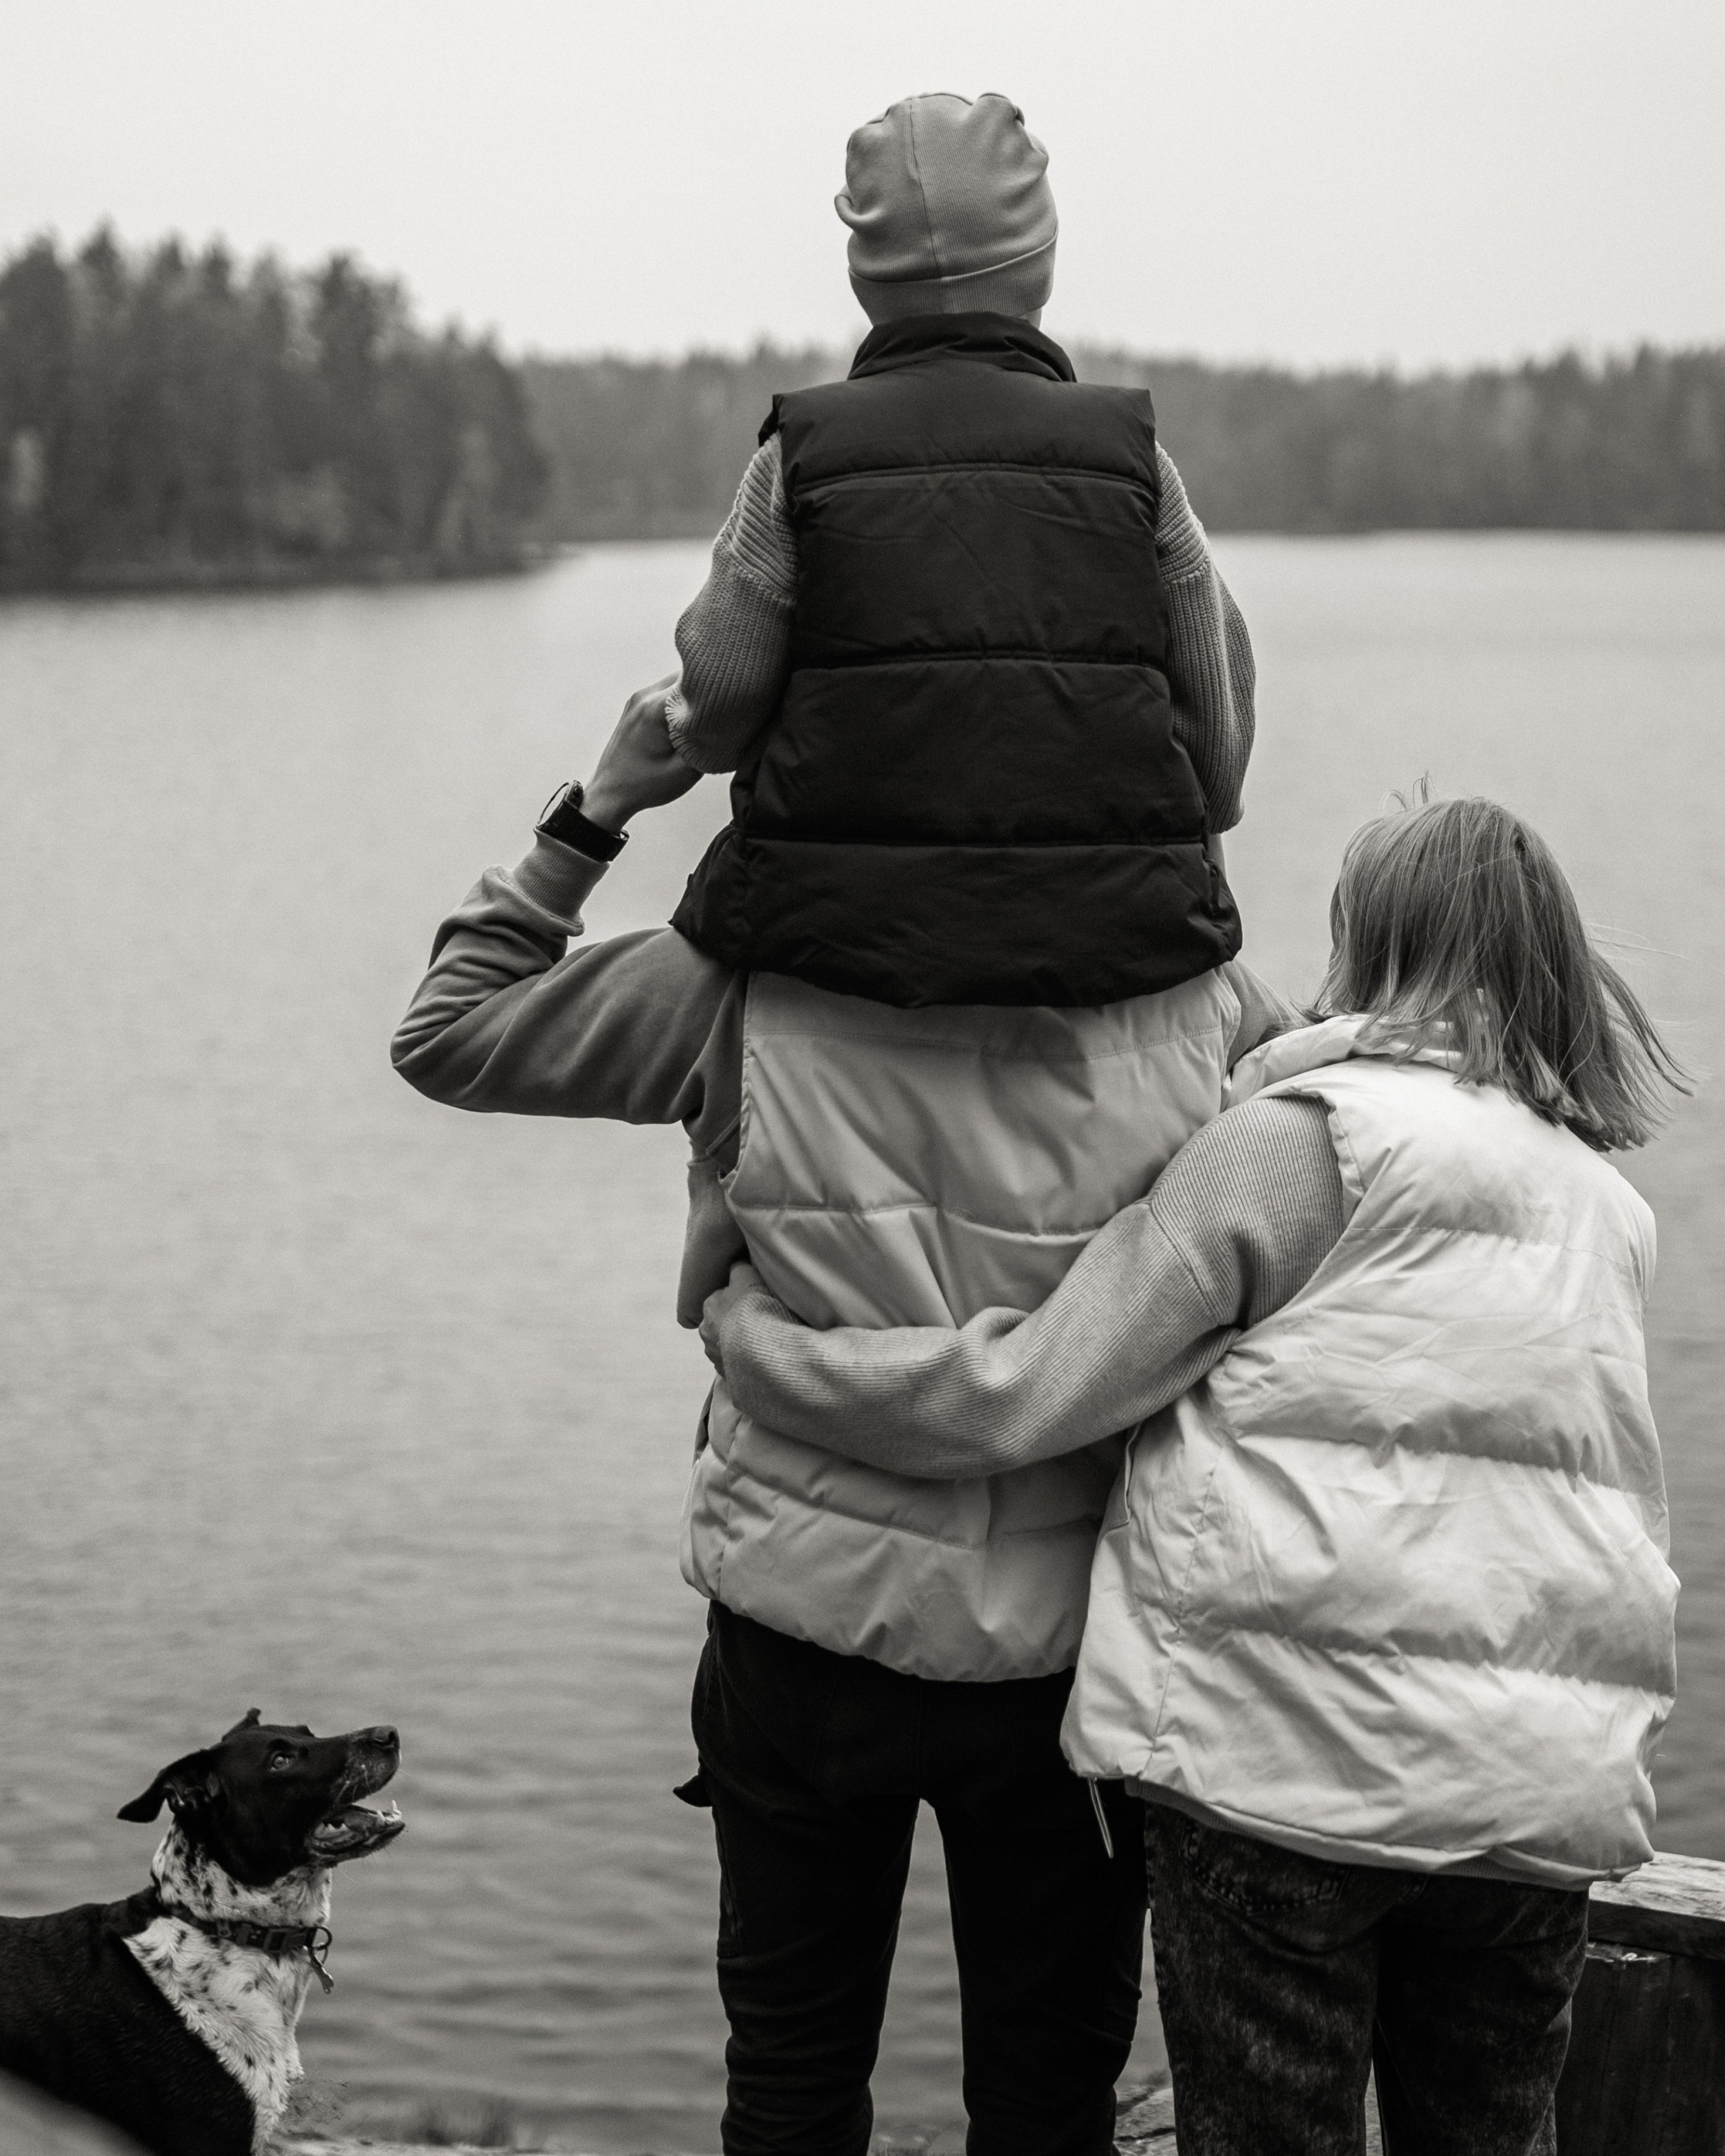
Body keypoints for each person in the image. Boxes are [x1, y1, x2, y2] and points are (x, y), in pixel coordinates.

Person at [701, 794, 1686, 2156]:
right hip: (1532, 1795)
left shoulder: (1298, 1145)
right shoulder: (1600, 1202)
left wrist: (762, 1348)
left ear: (1367, 938)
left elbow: (1023, 1395)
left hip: (1287, 1779)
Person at [394, 679, 1294, 2156]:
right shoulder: (1196, 992)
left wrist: (600, 802)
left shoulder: (737, 978)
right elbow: (1340, 1159)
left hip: (800, 1633)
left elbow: (451, 1031)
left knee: (794, 2088)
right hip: (1069, 1659)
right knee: (1046, 2107)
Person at [540, 90, 1255, 1010]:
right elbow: (1219, 764)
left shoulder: (800, 459)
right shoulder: (1135, 465)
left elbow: (718, 708)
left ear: (865, 279)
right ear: (1039, 266)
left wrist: (675, 734)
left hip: (826, 945)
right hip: (1117, 949)